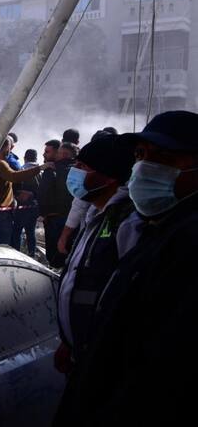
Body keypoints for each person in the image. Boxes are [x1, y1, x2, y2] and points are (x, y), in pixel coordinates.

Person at [53, 111, 198, 425]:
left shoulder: (170, 236)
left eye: (165, 157)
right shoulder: (155, 225)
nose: (145, 166)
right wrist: (73, 343)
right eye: (141, 155)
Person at [53, 135, 135, 378]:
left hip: (105, 363)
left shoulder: (129, 223)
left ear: (109, 177)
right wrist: (68, 342)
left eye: (82, 168)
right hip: (81, 350)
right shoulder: (96, 215)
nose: (74, 173)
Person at [0, 137, 47, 245]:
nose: (10, 150)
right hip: (1, 211)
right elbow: (14, 176)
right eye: (9, 147)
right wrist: (39, 168)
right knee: (2, 243)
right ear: (4, 148)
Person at [39, 141, 78, 267]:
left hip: (54, 219)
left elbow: (43, 193)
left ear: (65, 154)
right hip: (75, 218)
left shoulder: (51, 170)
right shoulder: (80, 171)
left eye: (59, 153)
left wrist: (43, 214)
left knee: (54, 257)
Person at [11, 148, 41, 257]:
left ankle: (16, 255)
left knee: (17, 231)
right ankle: (31, 254)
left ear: (25, 158)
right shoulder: (41, 171)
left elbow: (16, 187)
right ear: (36, 158)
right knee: (30, 232)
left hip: (22, 207)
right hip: (34, 207)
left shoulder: (22, 170)